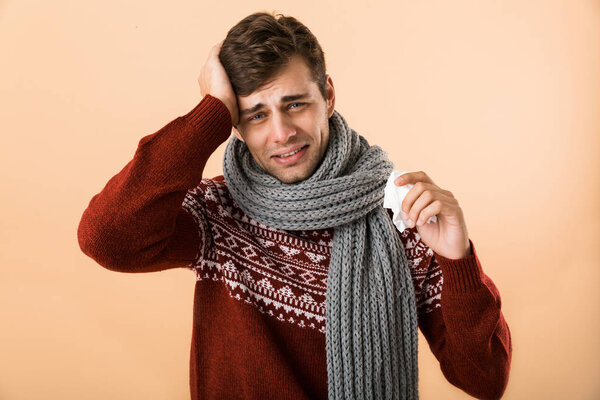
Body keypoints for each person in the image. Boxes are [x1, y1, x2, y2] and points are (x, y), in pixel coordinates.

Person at [77, 11, 512, 400]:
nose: (281, 133)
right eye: (256, 115)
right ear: (235, 123)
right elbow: (107, 238)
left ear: (328, 95)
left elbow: (485, 380)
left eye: (295, 104)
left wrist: (456, 258)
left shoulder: (402, 217)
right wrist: (209, 113)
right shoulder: (219, 212)